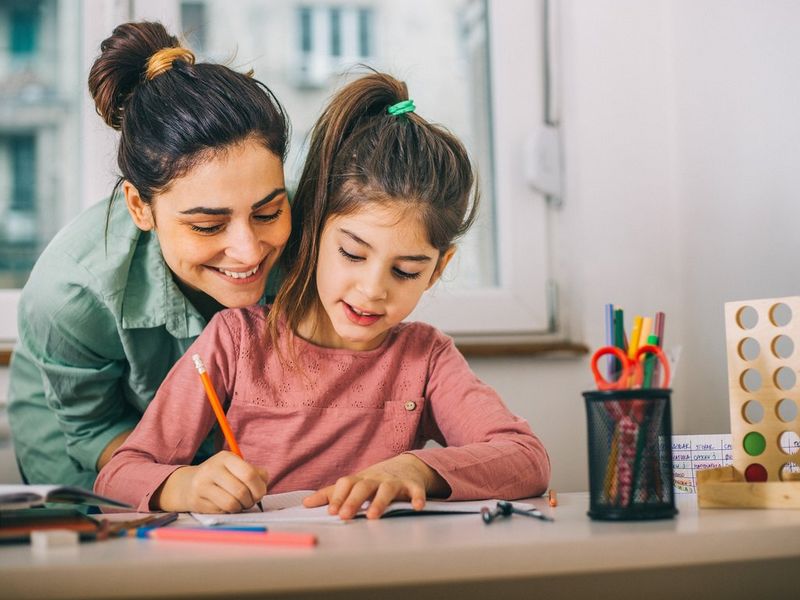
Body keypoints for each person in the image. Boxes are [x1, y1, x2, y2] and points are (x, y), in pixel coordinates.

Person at [95, 72, 550, 518]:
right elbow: (118, 474)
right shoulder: (236, 342)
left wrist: (414, 469)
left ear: (438, 269)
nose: (373, 290)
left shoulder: (426, 359)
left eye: (406, 270)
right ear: (313, 231)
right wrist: (184, 484)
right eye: (353, 254)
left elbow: (526, 459)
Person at [7, 21, 291, 490]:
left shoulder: (318, 236)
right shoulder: (70, 293)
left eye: (267, 212)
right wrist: (180, 483)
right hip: (90, 441)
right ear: (141, 207)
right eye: (207, 225)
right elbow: (92, 428)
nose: (248, 250)